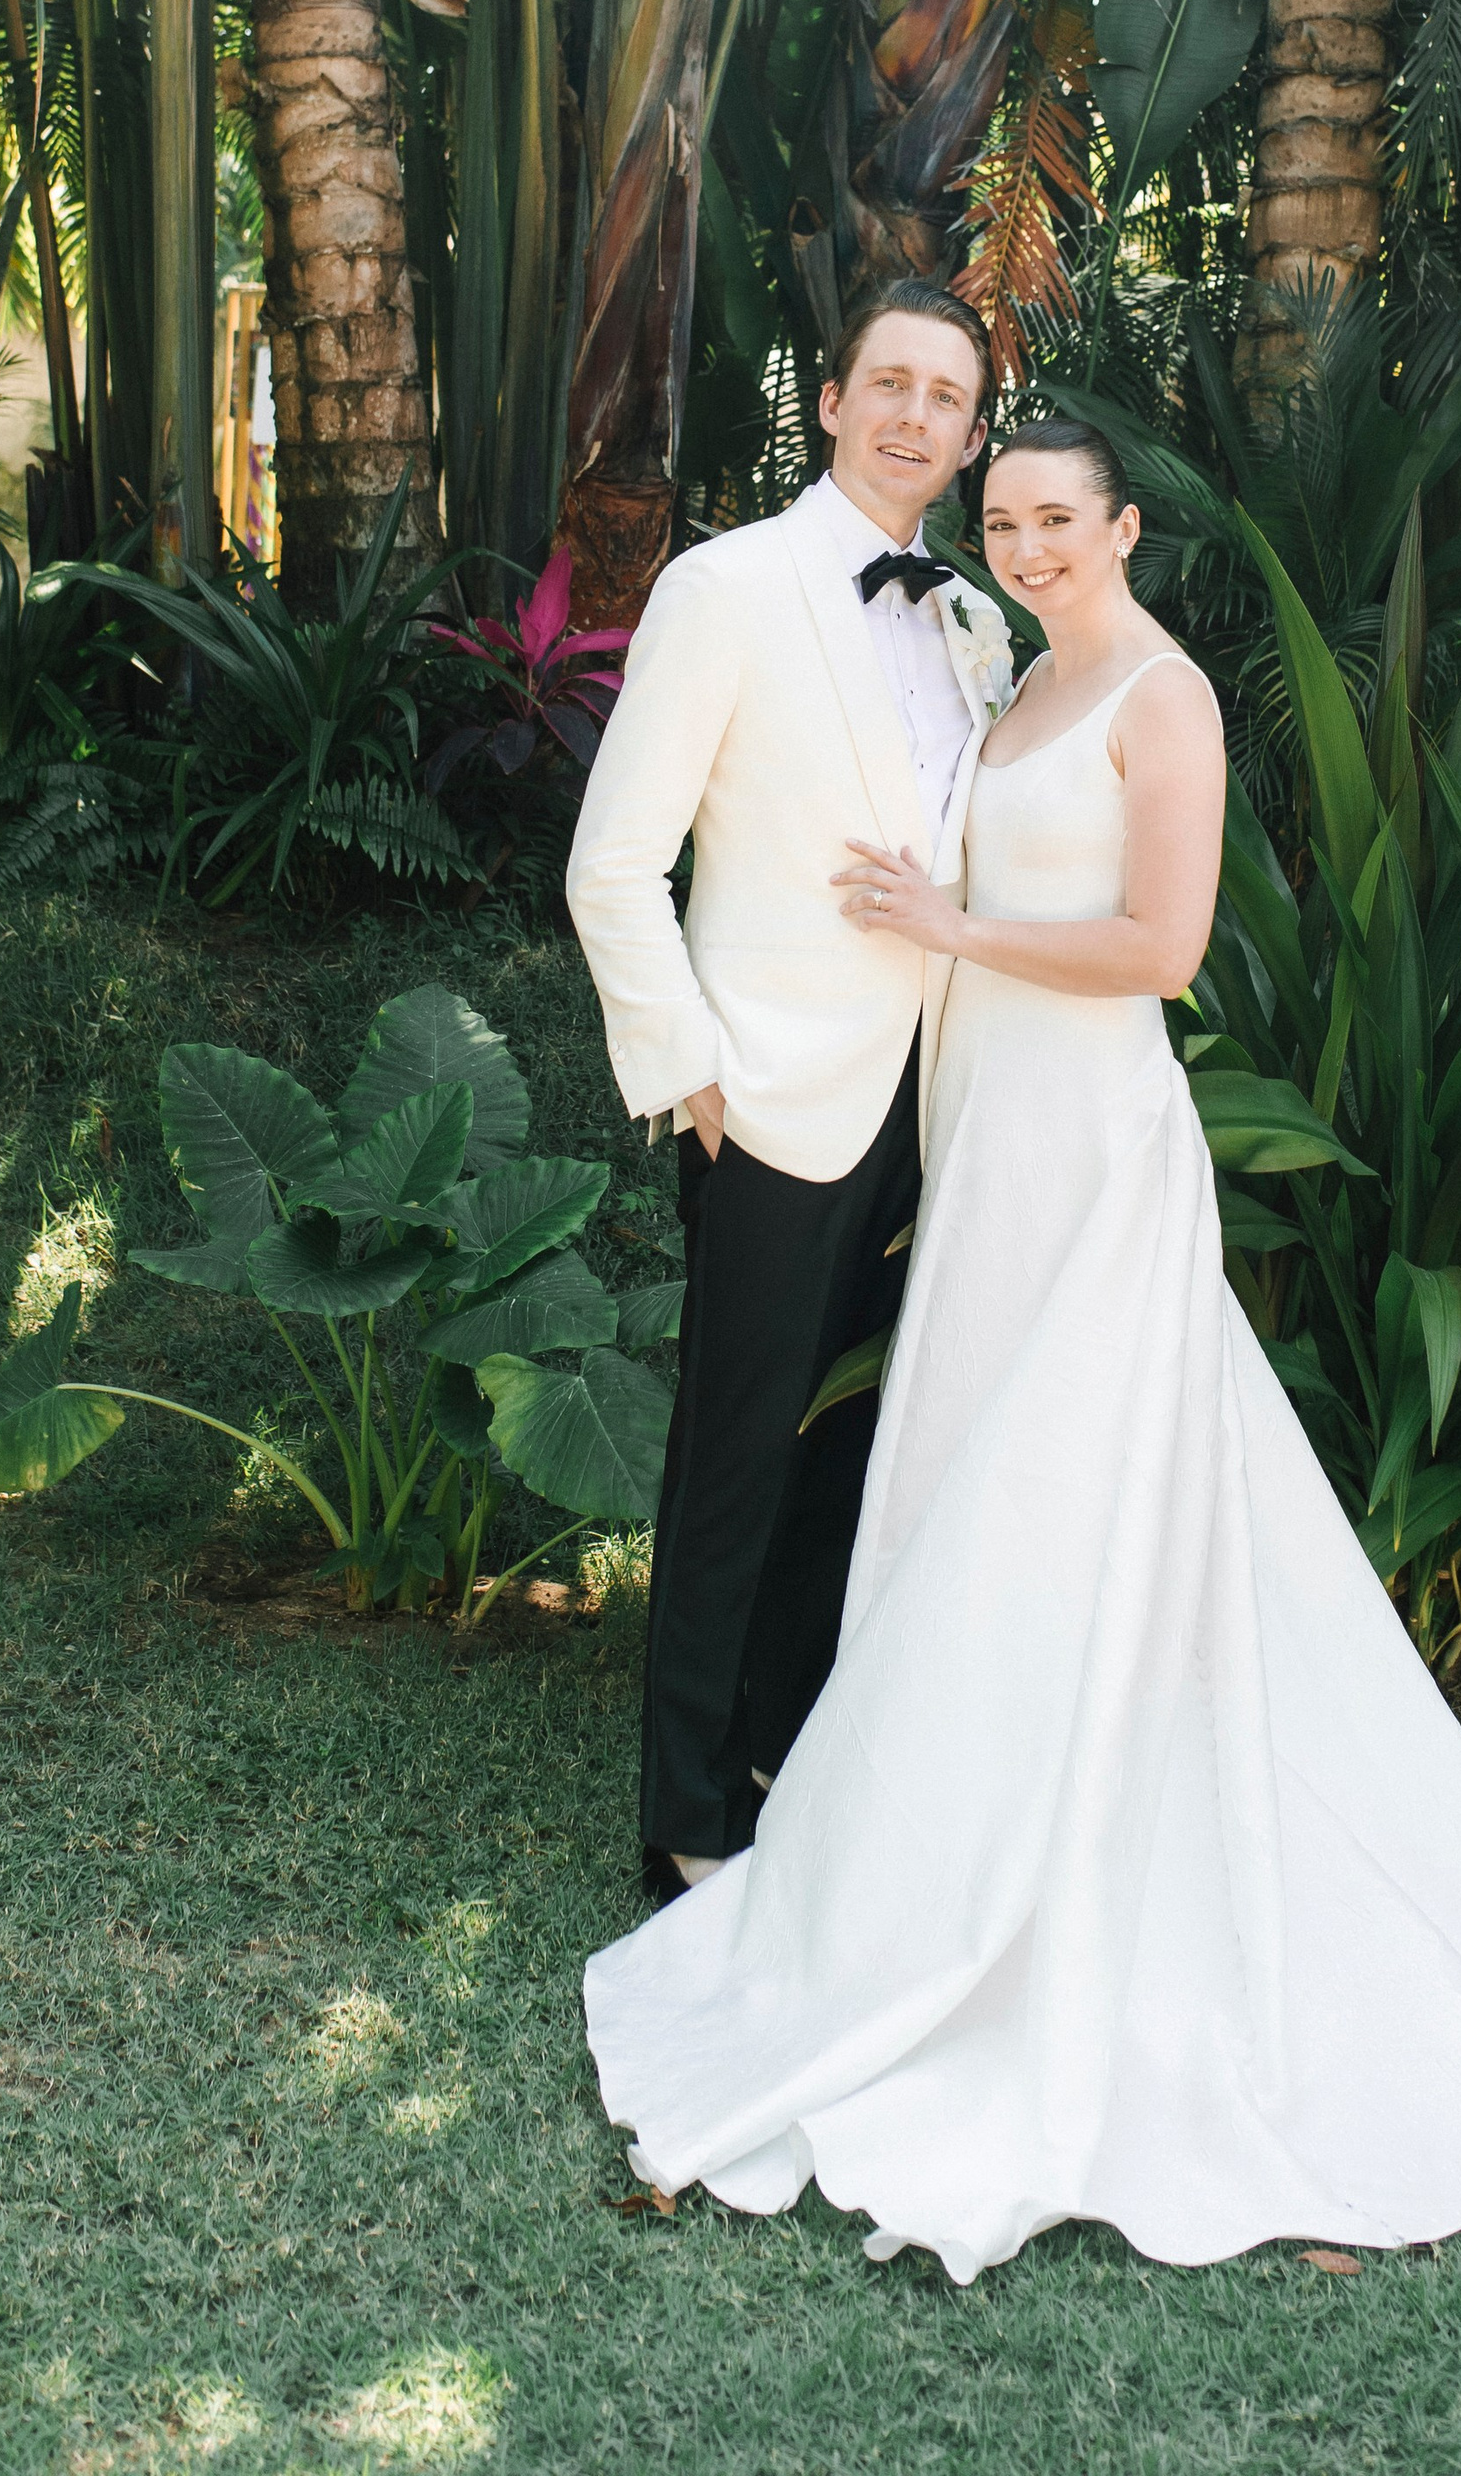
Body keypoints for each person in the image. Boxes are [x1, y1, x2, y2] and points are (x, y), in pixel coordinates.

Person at [581, 417, 1461, 2281]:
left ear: (1125, 527)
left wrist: (953, 919)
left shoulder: (1164, 696)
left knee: (1075, 1489)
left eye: (1062, 518)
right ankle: (937, 1843)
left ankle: (1084, 1873)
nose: (1029, 542)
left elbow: (1167, 946)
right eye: (1007, 517)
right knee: (974, 1483)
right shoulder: (1012, 676)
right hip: (984, 1152)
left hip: (1095, 1153)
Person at [565, 280, 1012, 1901]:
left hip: (937, 1106)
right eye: (886, 382)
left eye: (945, 398)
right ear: (829, 404)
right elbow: (613, 864)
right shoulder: (726, 587)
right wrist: (692, 1076)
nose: (912, 415)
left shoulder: (975, 621)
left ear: (970, 438)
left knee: (853, 1456)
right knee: (738, 1460)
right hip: (771, 1103)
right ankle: (687, 1814)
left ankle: (786, 1756)